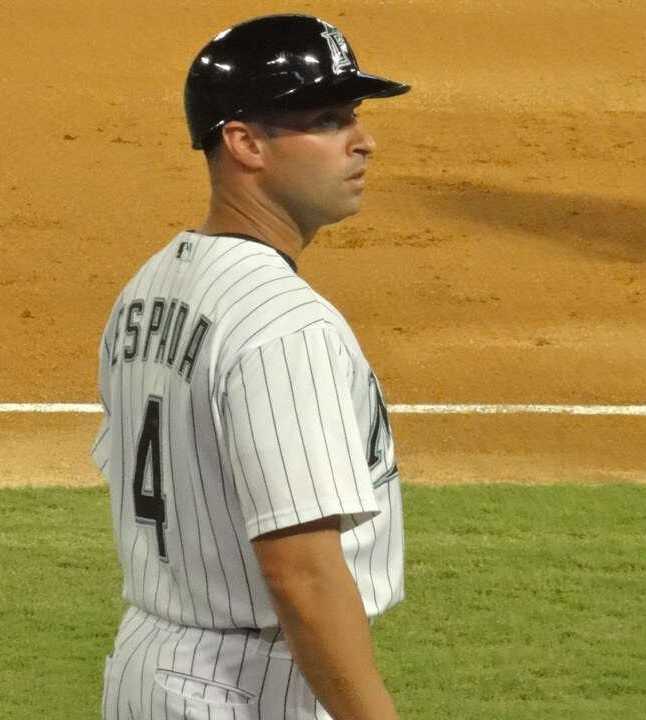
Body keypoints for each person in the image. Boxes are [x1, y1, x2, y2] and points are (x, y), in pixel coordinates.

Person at [91, 14, 411, 720]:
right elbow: (300, 572)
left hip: (149, 664)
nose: (362, 141)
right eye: (327, 120)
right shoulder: (284, 325)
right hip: (251, 687)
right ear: (244, 143)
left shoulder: (147, 289)